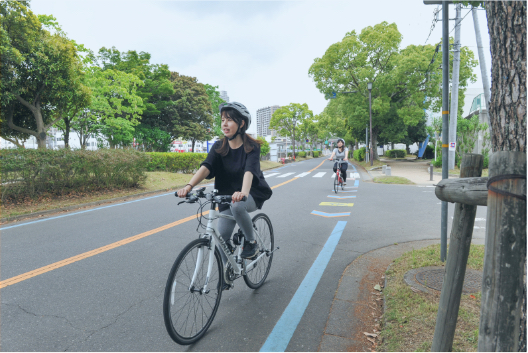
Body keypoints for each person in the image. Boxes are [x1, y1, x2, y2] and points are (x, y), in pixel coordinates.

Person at [176, 102, 272, 261]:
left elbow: (250, 171)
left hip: (251, 193)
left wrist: (243, 193)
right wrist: (188, 186)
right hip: (226, 196)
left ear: (241, 123)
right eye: (222, 120)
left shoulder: (252, 147)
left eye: (229, 120)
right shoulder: (219, 146)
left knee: (238, 205)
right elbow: (206, 167)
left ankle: (251, 242)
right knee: (221, 241)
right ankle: (225, 282)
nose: (224, 124)